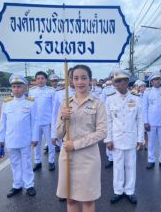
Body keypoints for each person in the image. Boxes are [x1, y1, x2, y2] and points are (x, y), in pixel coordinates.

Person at [56, 64, 107, 212]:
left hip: (88, 158)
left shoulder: (98, 103)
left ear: (90, 80)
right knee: (70, 200)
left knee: (88, 200)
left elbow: (102, 132)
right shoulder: (65, 103)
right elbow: (58, 134)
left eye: (84, 78)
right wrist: (62, 118)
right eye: (76, 78)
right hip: (68, 157)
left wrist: (76, 144)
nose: (80, 82)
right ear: (71, 81)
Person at [104, 69, 144, 205]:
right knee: (118, 166)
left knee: (131, 166)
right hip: (116, 139)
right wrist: (108, 139)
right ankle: (118, 191)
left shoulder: (136, 99)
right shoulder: (109, 99)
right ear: (114, 84)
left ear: (127, 82)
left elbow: (140, 121)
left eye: (122, 80)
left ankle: (130, 191)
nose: (119, 83)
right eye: (116, 81)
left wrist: (140, 139)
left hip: (131, 138)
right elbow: (108, 121)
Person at [0, 74, 38, 198]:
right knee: (14, 163)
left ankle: (29, 185)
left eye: (19, 86)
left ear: (25, 87)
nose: (16, 89)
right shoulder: (6, 103)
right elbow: (2, 122)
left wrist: (35, 137)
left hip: (25, 139)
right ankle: (17, 185)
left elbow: (35, 121)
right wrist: (0, 140)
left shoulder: (30, 103)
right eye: (14, 87)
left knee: (26, 163)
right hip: (11, 139)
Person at [143, 71, 161, 170]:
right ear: (151, 81)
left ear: (160, 80)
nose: (157, 81)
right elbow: (144, 108)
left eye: (158, 79)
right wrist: (145, 122)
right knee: (151, 142)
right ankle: (151, 160)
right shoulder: (147, 92)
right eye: (155, 80)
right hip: (151, 122)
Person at [29, 71, 56, 171]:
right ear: (35, 80)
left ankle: (51, 161)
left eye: (42, 78)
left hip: (48, 122)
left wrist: (53, 123)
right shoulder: (31, 91)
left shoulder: (51, 91)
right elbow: (30, 108)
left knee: (51, 143)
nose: (40, 80)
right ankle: (37, 162)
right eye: (38, 78)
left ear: (46, 80)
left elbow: (54, 108)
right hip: (36, 122)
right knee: (36, 143)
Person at [51, 68, 75, 153]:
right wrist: (54, 134)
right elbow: (55, 115)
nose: (73, 79)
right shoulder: (60, 93)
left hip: (82, 134)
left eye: (75, 77)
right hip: (64, 131)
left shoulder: (87, 93)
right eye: (70, 77)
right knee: (66, 160)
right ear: (67, 78)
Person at [100, 75, 116, 169]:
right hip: (109, 117)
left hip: (119, 118)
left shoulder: (122, 89)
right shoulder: (106, 90)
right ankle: (110, 158)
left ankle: (118, 158)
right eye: (113, 78)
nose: (115, 80)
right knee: (109, 137)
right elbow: (102, 103)